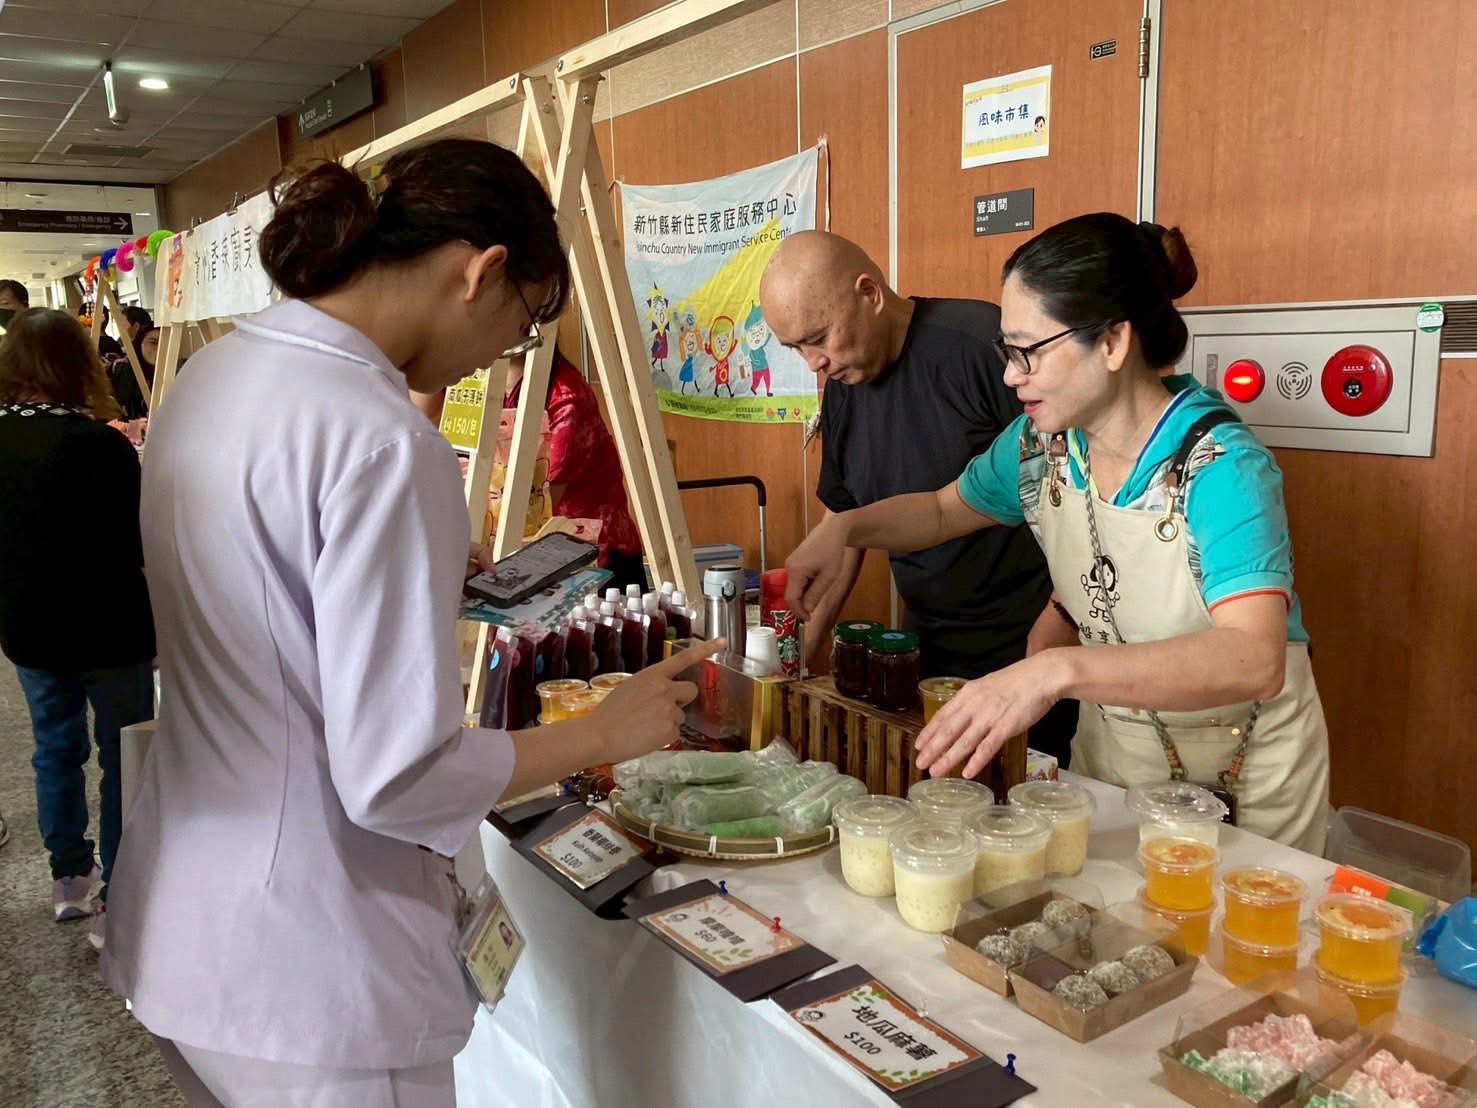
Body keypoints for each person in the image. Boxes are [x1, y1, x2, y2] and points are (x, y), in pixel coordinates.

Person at [101, 139, 722, 1107]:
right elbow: (397, 774)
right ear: (481, 271)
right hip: (315, 962)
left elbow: (261, 601)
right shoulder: (383, 440)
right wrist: (603, 733)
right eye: (521, 325)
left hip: (189, 926)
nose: (501, 358)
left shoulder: (213, 378)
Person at [785, 214, 1331, 851]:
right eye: (1006, 352)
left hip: (1246, 775)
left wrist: (1052, 672)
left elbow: (1253, 657)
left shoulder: (1220, 466)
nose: (1011, 375)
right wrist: (846, 527)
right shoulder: (1040, 448)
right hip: (1118, 761)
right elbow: (938, 512)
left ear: (1112, 342)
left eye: (1029, 351)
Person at [762, 231, 1074, 764]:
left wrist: (1057, 632)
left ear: (869, 293)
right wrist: (793, 672)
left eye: (818, 338)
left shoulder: (980, 349)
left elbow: (1071, 494)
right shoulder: (844, 388)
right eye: (795, 348)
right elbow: (865, 523)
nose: (813, 362)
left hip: (1028, 647)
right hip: (922, 650)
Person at [0, 308, 156, 948]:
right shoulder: (101, 446)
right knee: (123, 756)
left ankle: (68, 875)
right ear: (78, 365)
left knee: (54, 749)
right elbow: (138, 541)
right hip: (111, 628)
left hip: (30, 628)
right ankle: (118, 897)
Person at [504, 347, 647, 593]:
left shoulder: (566, 395)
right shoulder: (484, 386)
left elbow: (544, 496)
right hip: (532, 553)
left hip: (592, 556)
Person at [111, 322, 157, 420]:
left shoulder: (177, 374)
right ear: (140, 343)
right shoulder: (124, 370)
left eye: (166, 343)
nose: (160, 348)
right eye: (153, 343)